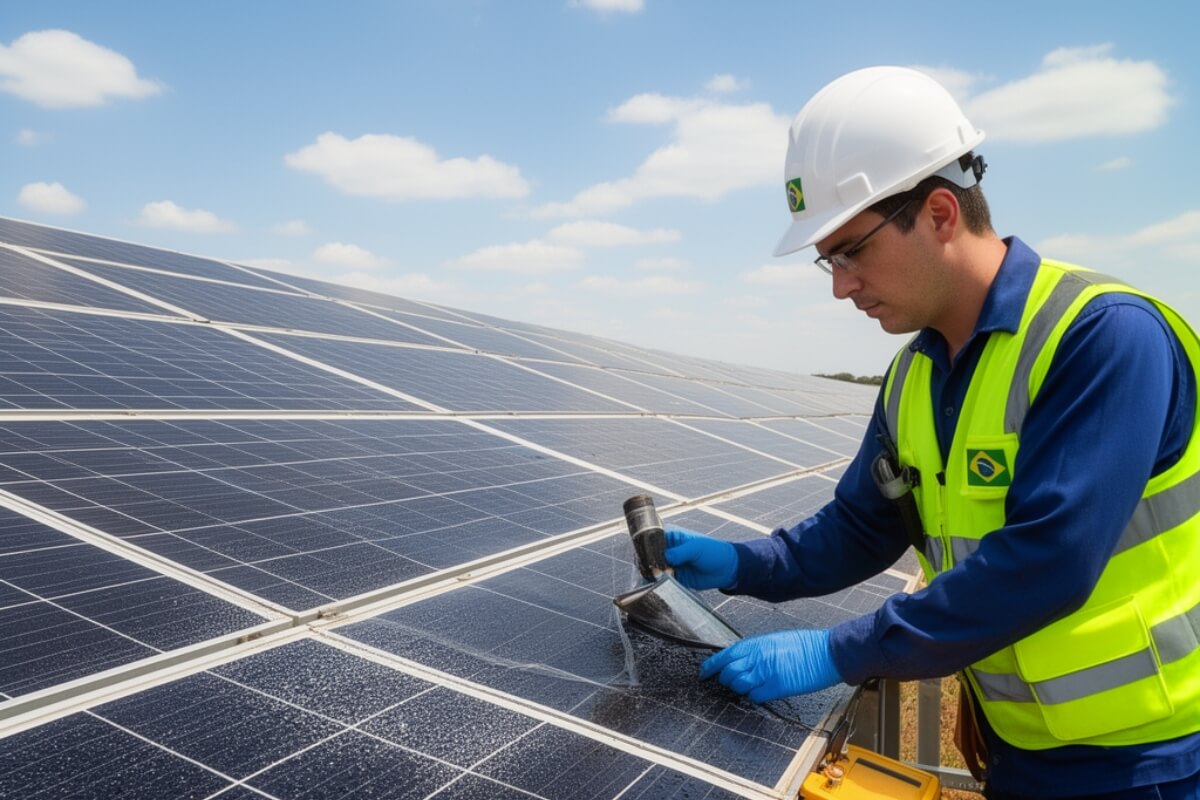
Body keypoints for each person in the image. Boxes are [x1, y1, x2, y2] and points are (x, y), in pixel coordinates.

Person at [664, 66, 1200, 799]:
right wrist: (741, 564)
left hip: (1157, 760)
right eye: (828, 259)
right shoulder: (915, 376)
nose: (839, 284)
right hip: (1024, 752)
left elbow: (1050, 560)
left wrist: (839, 650)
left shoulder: (1102, 338)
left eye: (851, 249)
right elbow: (861, 527)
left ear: (941, 213)